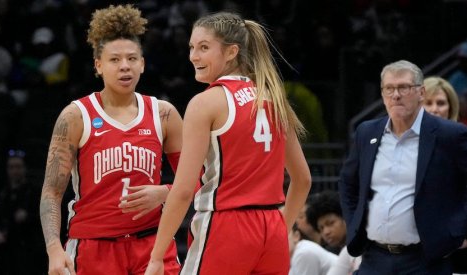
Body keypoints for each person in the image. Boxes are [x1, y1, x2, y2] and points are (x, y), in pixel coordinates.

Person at [142, 11, 312, 275]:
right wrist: (281, 227)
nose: (193, 56)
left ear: (232, 52)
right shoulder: (275, 99)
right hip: (271, 230)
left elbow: (184, 189)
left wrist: (155, 257)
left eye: (204, 48)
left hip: (226, 226)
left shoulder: (205, 103)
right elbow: (303, 180)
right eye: (192, 47)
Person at [39, 4, 183, 275]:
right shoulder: (75, 116)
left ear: (142, 62)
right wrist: (54, 249)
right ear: (98, 65)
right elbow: (51, 192)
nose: (124, 66)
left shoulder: (164, 114)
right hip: (95, 248)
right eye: (115, 60)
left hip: (152, 245)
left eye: (131, 58)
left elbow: (199, 180)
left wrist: (166, 192)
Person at [339, 60, 467, 274]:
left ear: (421, 92)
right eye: (389, 88)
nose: (395, 95)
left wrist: (456, 232)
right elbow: (348, 182)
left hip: (425, 260)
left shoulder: (450, 135)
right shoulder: (366, 132)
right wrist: (354, 225)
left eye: (403, 87)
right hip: (374, 258)